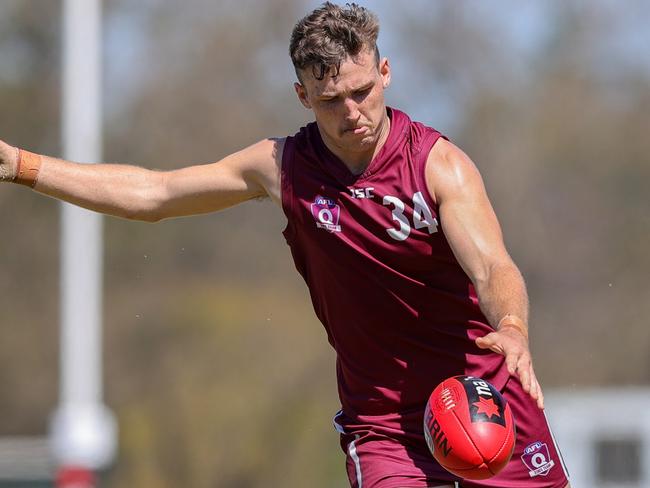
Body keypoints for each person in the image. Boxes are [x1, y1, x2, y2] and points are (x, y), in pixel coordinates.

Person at [0, 3, 570, 487]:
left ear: (386, 73)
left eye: (362, 91)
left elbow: (494, 267)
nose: (352, 113)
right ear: (302, 95)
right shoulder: (282, 167)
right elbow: (157, 192)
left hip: (485, 397)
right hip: (385, 423)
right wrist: (24, 165)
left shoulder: (438, 166)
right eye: (330, 100)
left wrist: (514, 328)